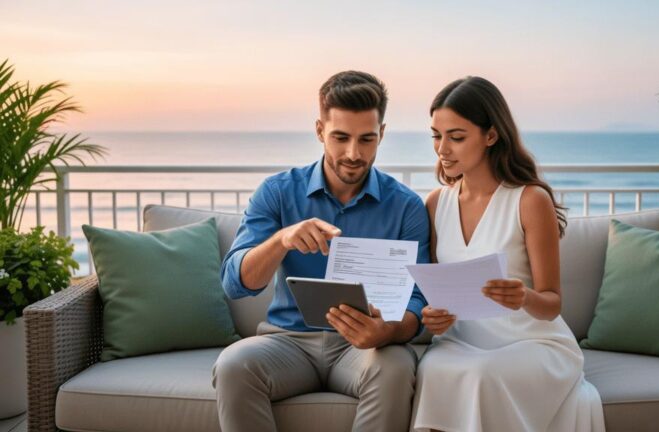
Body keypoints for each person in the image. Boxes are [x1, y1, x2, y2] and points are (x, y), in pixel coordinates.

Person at [212, 70, 429, 432]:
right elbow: (236, 283)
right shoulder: (278, 192)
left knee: (395, 367)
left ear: (382, 134)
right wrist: (282, 240)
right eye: (340, 137)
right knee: (234, 365)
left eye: (367, 139)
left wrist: (387, 332)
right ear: (319, 131)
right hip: (288, 342)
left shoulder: (406, 207)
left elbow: (419, 301)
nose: (353, 154)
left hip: (365, 350)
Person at [411, 77, 605, 432]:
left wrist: (523, 296)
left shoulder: (530, 200)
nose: (442, 149)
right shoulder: (436, 203)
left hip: (530, 342)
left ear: (491, 135)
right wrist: (433, 315)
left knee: (482, 376)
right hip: (460, 342)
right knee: (434, 370)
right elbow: (438, 293)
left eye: (456, 137)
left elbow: (552, 304)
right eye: (436, 136)